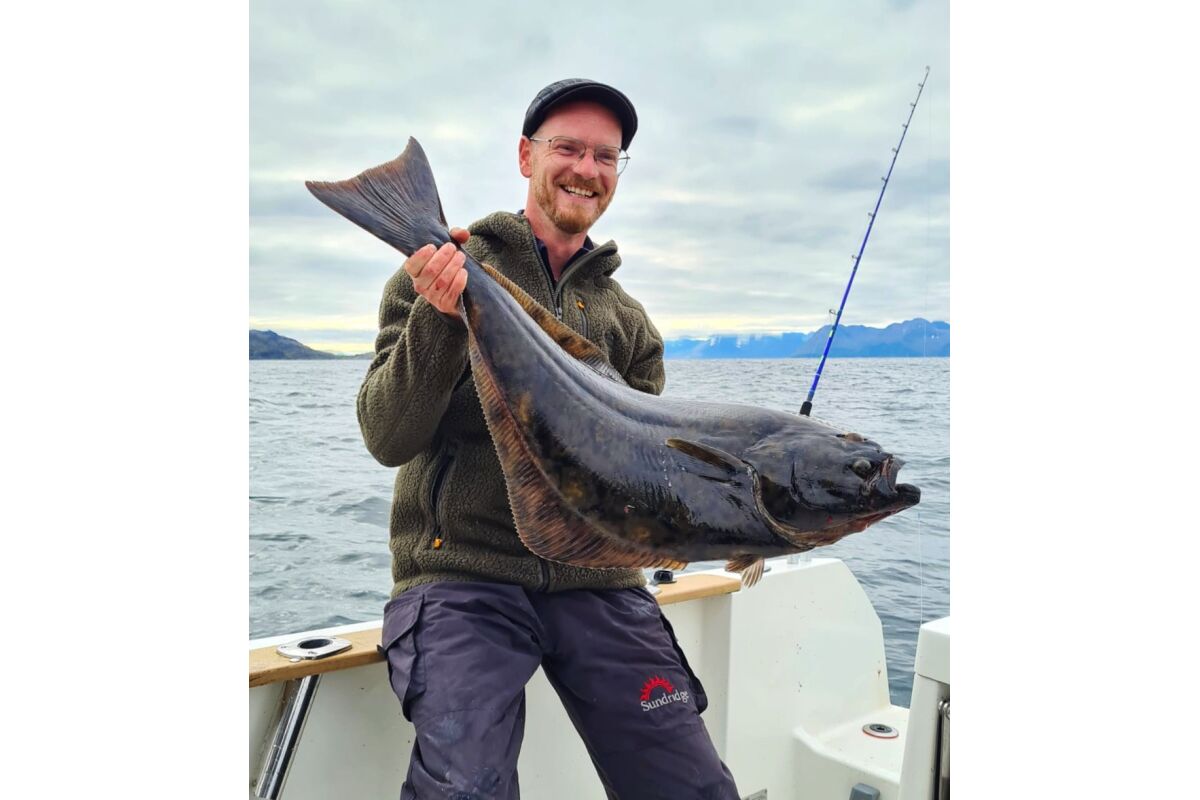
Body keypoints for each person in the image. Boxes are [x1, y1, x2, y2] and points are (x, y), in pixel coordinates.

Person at [358, 78, 740, 799]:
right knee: (465, 790)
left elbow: (646, 479)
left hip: (600, 586)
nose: (586, 170)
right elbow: (386, 436)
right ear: (526, 155)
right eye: (568, 148)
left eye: (606, 156)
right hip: (464, 577)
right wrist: (441, 317)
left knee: (694, 788)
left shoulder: (630, 325)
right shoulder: (432, 273)